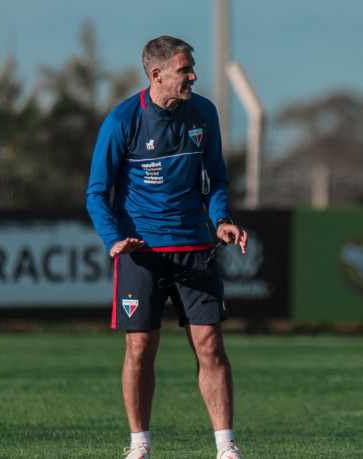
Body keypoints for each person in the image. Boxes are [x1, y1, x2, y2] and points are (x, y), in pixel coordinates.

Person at [86, 35, 248, 458]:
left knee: (210, 344)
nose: (193, 75)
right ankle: (139, 445)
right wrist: (113, 239)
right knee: (140, 348)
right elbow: (96, 192)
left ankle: (226, 447)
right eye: (184, 69)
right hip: (141, 252)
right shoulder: (122, 120)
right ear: (157, 74)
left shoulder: (204, 113)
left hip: (195, 247)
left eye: (192, 68)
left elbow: (216, 179)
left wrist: (223, 219)